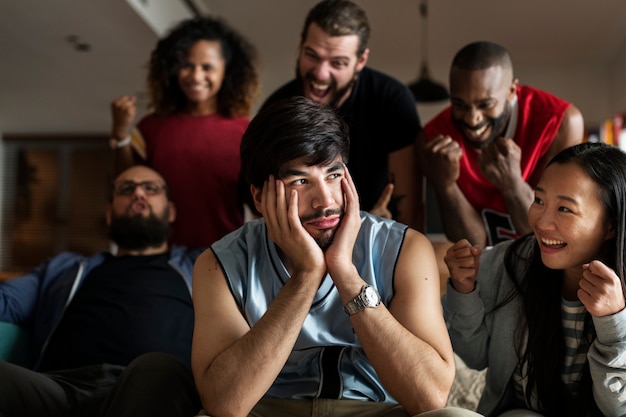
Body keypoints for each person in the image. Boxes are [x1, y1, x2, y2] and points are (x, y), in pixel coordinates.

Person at [191, 96, 482, 417]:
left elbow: (430, 396)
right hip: (268, 409)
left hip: (375, 410)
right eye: (300, 181)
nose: (325, 200)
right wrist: (305, 277)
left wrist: (345, 273)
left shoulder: (404, 248)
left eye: (332, 175)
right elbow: (224, 404)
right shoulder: (219, 264)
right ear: (259, 197)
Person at [0, 165, 202, 417]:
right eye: (126, 189)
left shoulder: (200, 266)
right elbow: (6, 300)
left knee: (159, 368)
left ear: (170, 211)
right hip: (58, 389)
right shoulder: (65, 268)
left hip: (148, 389)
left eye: (151, 188)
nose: (138, 193)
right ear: (109, 213)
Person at [442, 142, 626, 416]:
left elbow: (617, 406)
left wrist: (613, 322)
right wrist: (464, 291)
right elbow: (474, 357)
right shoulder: (509, 263)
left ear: (611, 225)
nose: (541, 222)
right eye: (539, 200)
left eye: (564, 209)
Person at [260, 0, 423, 230]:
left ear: (361, 61)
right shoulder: (275, 108)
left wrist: (384, 233)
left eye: (337, 62)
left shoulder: (392, 99)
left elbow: (409, 209)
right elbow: (263, 202)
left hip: (377, 233)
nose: (320, 73)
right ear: (301, 44)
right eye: (312, 55)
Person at [110, 15, 260, 248]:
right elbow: (127, 184)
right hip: (159, 257)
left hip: (225, 258)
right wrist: (120, 134)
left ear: (226, 71)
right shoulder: (151, 127)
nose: (196, 76)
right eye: (187, 66)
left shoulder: (247, 132)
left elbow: (258, 204)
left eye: (207, 67)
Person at [417, 41, 584, 247]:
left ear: (512, 90)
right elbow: (473, 243)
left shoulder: (560, 123)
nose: (472, 119)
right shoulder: (433, 139)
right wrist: (447, 186)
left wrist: (512, 183)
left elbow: (547, 233)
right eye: (459, 104)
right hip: (481, 271)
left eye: (485, 104)